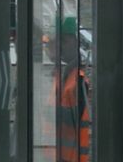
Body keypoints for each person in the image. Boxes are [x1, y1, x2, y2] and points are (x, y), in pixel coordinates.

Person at [45, 16, 89, 162]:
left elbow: (74, 116)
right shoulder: (61, 75)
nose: (60, 47)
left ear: (76, 42)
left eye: (64, 41)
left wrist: (49, 112)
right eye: (58, 41)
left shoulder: (80, 79)